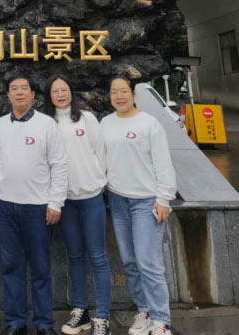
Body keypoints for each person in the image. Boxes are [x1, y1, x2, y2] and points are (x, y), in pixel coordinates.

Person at [0, 73, 67, 335]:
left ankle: (44, 323)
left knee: (41, 268)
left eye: (24, 88)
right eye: (14, 89)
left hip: (38, 208)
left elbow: (59, 164)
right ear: (8, 95)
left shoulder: (46, 125)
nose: (19, 92)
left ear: (33, 95)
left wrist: (56, 202)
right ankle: (15, 322)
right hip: (6, 207)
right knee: (11, 267)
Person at [101, 75, 177, 335]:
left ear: (133, 94)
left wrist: (164, 198)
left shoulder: (149, 123)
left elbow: (163, 164)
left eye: (124, 91)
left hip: (146, 201)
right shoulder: (105, 123)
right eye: (114, 91)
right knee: (130, 261)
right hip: (117, 199)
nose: (119, 96)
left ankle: (161, 320)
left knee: (148, 262)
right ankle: (144, 311)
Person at [44, 75, 111, 335]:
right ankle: (81, 311)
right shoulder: (47, 123)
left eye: (64, 90)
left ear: (71, 92)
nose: (60, 94)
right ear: (49, 96)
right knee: (75, 256)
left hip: (91, 197)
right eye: (55, 91)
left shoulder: (87, 119)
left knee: (98, 257)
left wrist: (98, 180)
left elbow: (100, 153)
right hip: (65, 201)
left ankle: (102, 316)